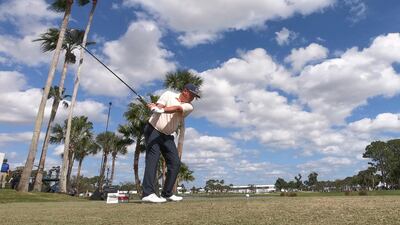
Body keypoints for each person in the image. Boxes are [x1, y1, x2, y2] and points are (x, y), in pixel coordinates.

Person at [141, 83, 200, 203]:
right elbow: (159, 106)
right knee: (153, 159)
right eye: (192, 94)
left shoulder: (189, 106)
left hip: (168, 136)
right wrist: (156, 108)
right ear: (185, 91)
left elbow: (177, 109)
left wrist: (160, 109)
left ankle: (167, 193)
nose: (193, 98)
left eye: (195, 96)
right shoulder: (168, 94)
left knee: (175, 163)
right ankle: (148, 193)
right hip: (153, 130)